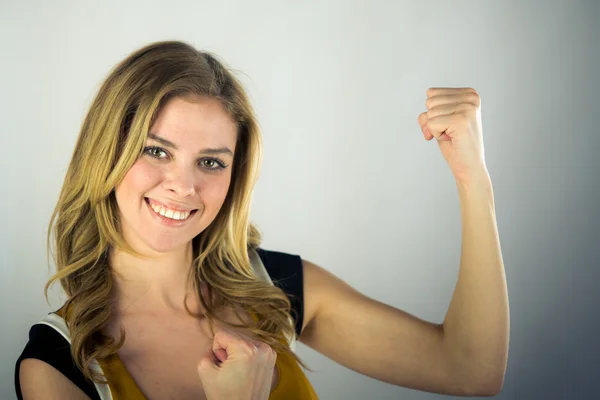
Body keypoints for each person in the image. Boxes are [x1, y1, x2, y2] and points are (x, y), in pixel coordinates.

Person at [15, 40, 509, 400]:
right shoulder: (59, 365)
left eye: (211, 162)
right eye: (156, 150)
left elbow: (470, 369)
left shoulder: (275, 287)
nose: (183, 187)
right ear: (107, 151)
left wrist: (473, 179)